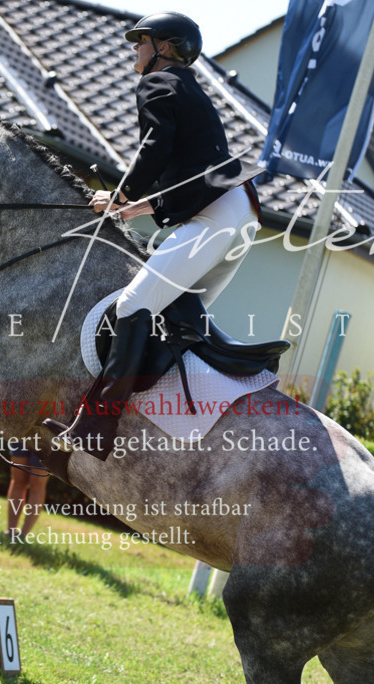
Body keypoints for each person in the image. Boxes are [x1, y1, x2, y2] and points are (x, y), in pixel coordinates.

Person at [59, 12, 264, 460]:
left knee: (133, 306)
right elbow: (194, 172)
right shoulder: (189, 91)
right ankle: (168, 419)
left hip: (215, 216)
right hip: (240, 211)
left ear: (165, 48)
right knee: (177, 319)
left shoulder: (157, 83)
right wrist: (136, 207)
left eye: (142, 41)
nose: (135, 48)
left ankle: (97, 424)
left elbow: (155, 147)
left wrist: (121, 193)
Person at [5, 447, 48, 540]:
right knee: (18, 479)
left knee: (37, 483)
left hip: (51, 435)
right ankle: (10, 531)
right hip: (21, 434)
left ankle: (23, 535)